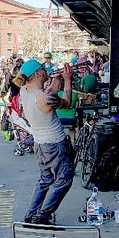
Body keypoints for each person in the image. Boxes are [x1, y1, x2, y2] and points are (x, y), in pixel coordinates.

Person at [17, 58, 75, 225]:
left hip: (40, 145)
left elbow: (42, 91)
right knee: (64, 180)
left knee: (45, 179)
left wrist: (53, 83)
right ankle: (42, 215)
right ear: (38, 73)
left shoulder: (24, 91)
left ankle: (31, 214)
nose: (46, 71)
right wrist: (67, 80)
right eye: (43, 69)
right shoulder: (46, 98)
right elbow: (67, 102)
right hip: (55, 145)